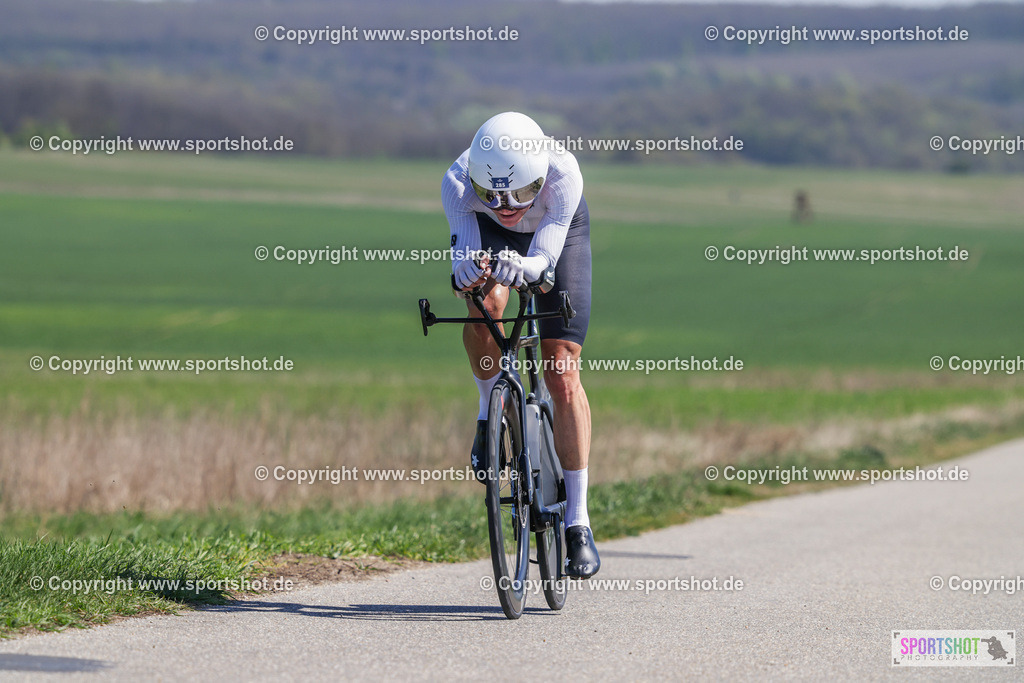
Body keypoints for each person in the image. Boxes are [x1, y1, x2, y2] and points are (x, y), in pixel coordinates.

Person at [442, 111, 600, 579]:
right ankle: (487, 409)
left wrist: (530, 265)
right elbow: (464, 262)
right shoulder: (457, 183)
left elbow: (544, 265)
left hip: (556, 231)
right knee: (485, 305)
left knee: (561, 368)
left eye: (519, 192)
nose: (506, 205)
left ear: (540, 177)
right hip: (490, 235)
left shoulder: (563, 175)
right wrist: (464, 274)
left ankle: (578, 522)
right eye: (491, 194)